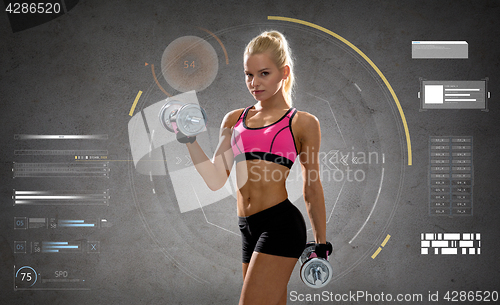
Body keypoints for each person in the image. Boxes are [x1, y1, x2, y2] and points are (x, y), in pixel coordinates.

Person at [181, 31, 327, 305]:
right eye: (248, 74)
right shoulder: (234, 119)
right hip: (247, 227)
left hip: (281, 225)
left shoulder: (302, 123)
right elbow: (215, 178)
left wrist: (321, 242)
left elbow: (311, 186)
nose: (254, 82)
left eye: (263, 73)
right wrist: (188, 140)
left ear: (284, 72)